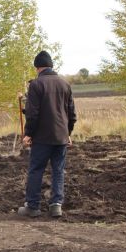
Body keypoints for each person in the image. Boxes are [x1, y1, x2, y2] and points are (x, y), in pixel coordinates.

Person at [18, 51, 77, 219]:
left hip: (42, 138)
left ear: (37, 68)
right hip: (61, 138)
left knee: (36, 170)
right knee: (58, 171)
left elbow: (32, 114)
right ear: (51, 66)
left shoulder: (36, 85)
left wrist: (29, 133)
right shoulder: (65, 84)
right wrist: (68, 133)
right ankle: (56, 206)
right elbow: (72, 114)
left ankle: (33, 206)